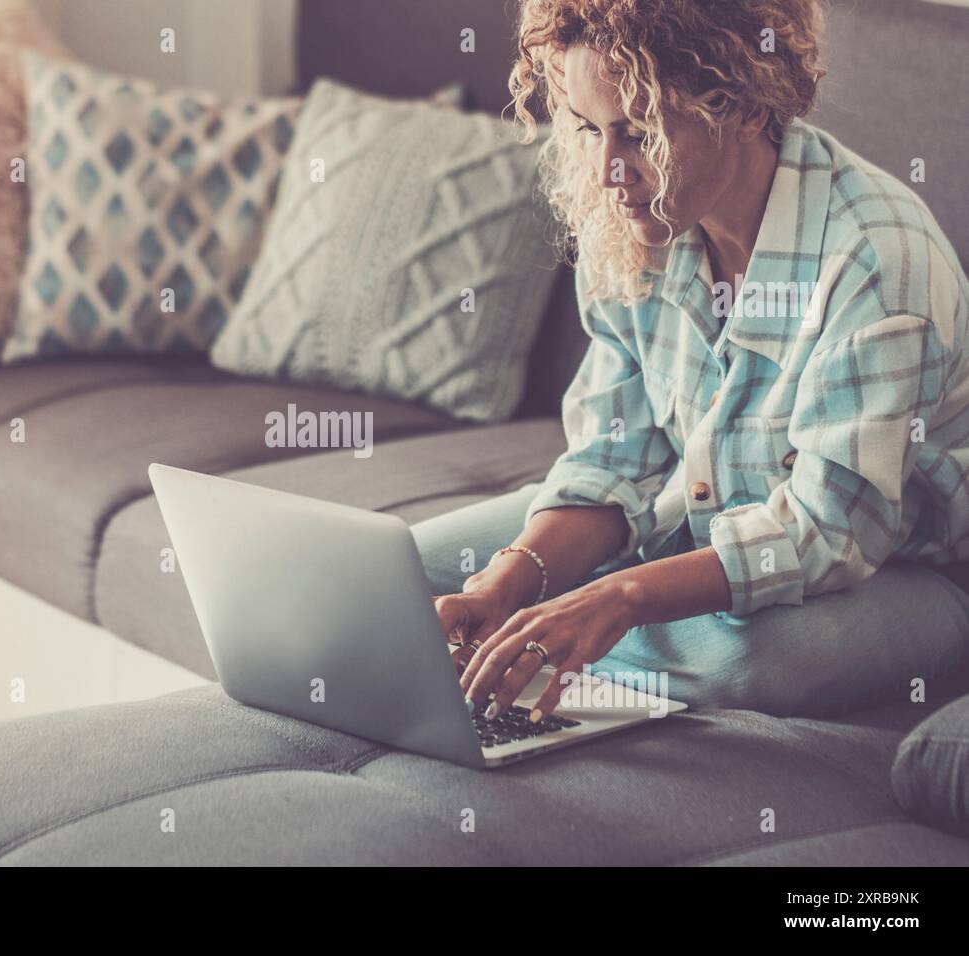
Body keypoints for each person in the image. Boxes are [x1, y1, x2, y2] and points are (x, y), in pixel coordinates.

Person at [414, 0, 969, 724]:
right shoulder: (636, 223)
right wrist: (512, 579)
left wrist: (619, 597)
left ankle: (515, 661)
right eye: (587, 129)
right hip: (698, 527)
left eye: (638, 133)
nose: (610, 169)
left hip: (898, 573)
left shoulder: (875, 260)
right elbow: (617, 459)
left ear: (740, 105)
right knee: (410, 576)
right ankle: (515, 654)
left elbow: (829, 533)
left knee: (740, 664)